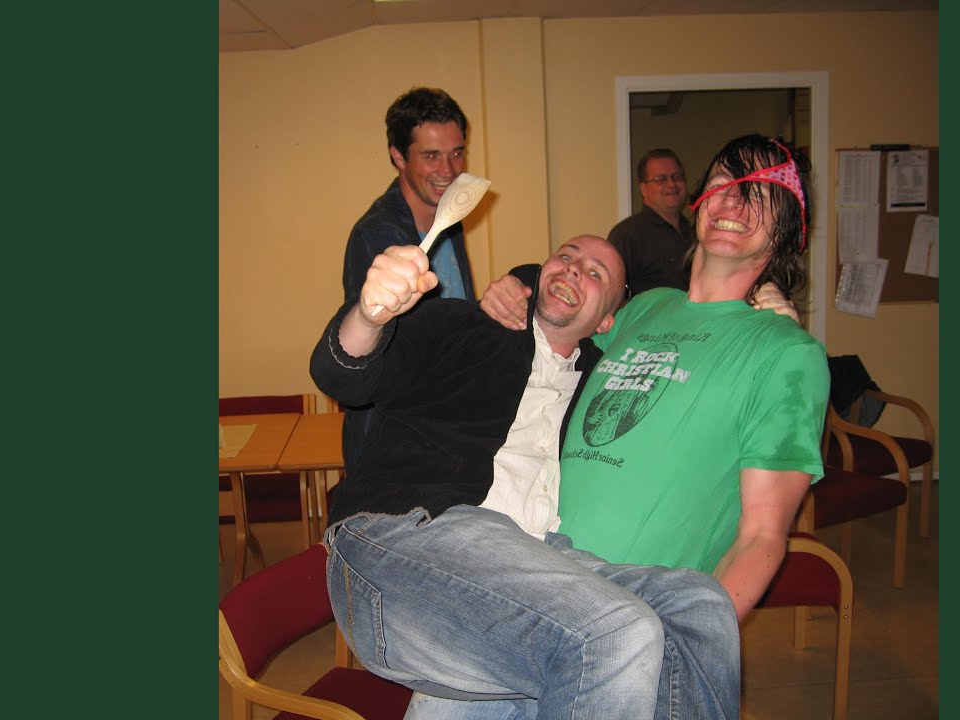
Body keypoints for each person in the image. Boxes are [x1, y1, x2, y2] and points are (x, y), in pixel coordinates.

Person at [421, 134, 830, 720]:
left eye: (761, 194)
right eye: (724, 183)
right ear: (699, 200)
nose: (734, 203)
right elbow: (559, 329)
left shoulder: (788, 355)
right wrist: (514, 287)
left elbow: (762, 536)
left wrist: (682, 646)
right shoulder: (645, 308)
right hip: (520, 583)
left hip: (621, 632)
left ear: (789, 229)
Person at [312, 235, 741, 719]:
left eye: (595, 274)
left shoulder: (599, 379)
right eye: (566, 257)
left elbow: (683, 353)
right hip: (404, 536)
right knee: (614, 631)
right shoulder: (466, 326)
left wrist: (760, 312)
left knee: (698, 605)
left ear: (606, 322)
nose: (574, 269)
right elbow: (344, 376)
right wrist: (370, 314)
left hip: (533, 555)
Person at [338, 86, 478, 487]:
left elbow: (453, 315)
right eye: (431, 156)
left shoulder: (448, 217)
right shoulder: (377, 235)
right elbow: (383, 356)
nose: (449, 170)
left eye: (457, 152)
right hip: (395, 441)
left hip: (443, 426)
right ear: (398, 157)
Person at [608, 148, 693, 297]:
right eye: (661, 179)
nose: (671, 184)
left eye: (677, 176)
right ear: (643, 189)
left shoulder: (697, 232)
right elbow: (613, 294)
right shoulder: (627, 235)